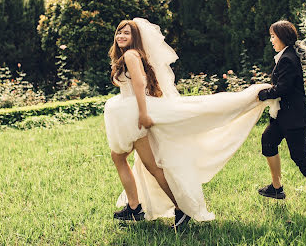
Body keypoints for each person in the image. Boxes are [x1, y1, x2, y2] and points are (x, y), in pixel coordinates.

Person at [104, 18, 280, 227]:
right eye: (119, 32)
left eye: (127, 33)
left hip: (135, 114)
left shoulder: (131, 55)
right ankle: (135, 206)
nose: (121, 36)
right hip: (129, 111)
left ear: (135, 38)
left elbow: (140, 83)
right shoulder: (128, 56)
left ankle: (177, 208)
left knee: (150, 165)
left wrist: (143, 114)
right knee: (124, 158)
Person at [257, 20, 306, 212]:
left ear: (283, 37)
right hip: (283, 115)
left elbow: (283, 88)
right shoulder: (285, 56)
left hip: (294, 116)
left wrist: (263, 94)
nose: (271, 40)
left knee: (300, 156)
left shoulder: (288, 59)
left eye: (273, 36)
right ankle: (277, 188)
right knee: (268, 140)